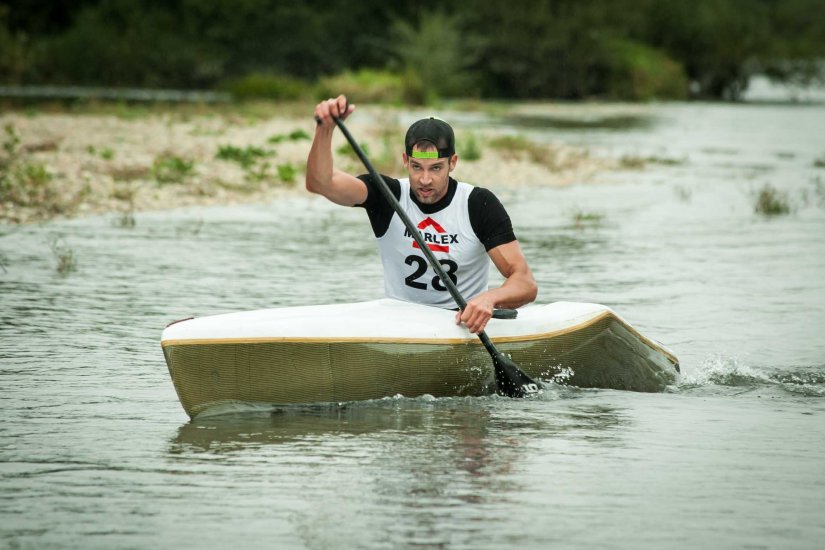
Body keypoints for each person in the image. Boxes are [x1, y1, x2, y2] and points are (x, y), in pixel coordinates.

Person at [306, 95, 537, 335]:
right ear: (405, 160)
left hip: (459, 325)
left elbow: (525, 283)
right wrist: (325, 129)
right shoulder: (387, 195)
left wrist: (489, 299)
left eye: (436, 168)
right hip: (401, 326)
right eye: (417, 167)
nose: (425, 180)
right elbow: (320, 183)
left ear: (453, 162)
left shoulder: (478, 204)